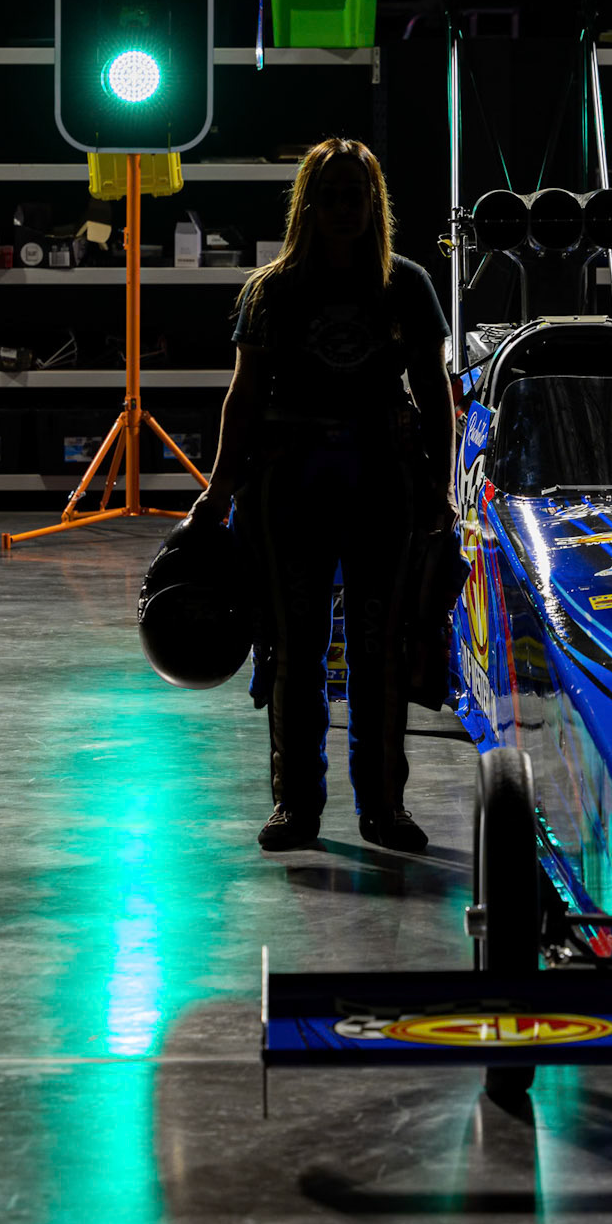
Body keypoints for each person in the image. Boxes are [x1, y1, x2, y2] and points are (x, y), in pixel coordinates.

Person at [186, 137, 454, 854]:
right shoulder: (270, 290)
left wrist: (441, 486)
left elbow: (434, 394)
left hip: (382, 483)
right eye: (328, 196)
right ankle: (295, 807)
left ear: (374, 204)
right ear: (307, 204)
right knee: (291, 647)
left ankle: (383, 808)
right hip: (288, 487)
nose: (341, 208)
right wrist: (219, 489)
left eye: (354, 195)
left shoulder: (408, 285)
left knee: (381, 648)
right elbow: (243, 397)